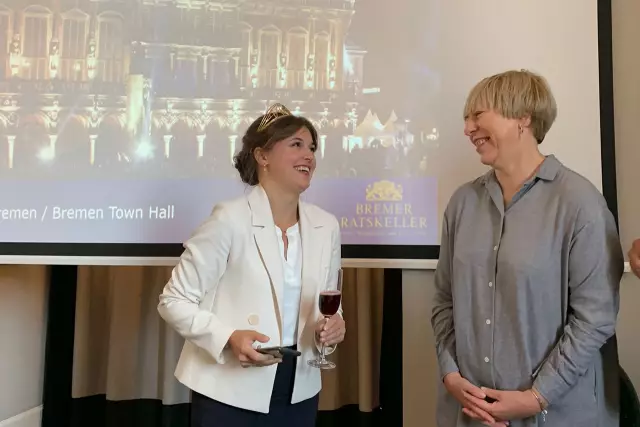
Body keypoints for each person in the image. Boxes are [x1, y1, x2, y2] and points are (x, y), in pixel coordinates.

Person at [431, 70, 623, 427]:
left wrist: (536, 397)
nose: (467, 129)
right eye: (466, 118)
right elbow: (444, 301)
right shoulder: (462, 203)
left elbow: (595, 319)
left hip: (557, 416)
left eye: (478, 115)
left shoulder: (581, 204)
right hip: (470, 413)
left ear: (523, 118)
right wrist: (450, 374)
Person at [157, 103, 346, 426]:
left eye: (312, 147)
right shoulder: (229, 219)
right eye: (296, 145)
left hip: (298, 389)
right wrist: (229, 336)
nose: (309, 156)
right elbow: (173, 301)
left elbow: (329, 305)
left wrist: (335, 325)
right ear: (262, 156)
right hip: (229, 391)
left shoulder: (326, 226)